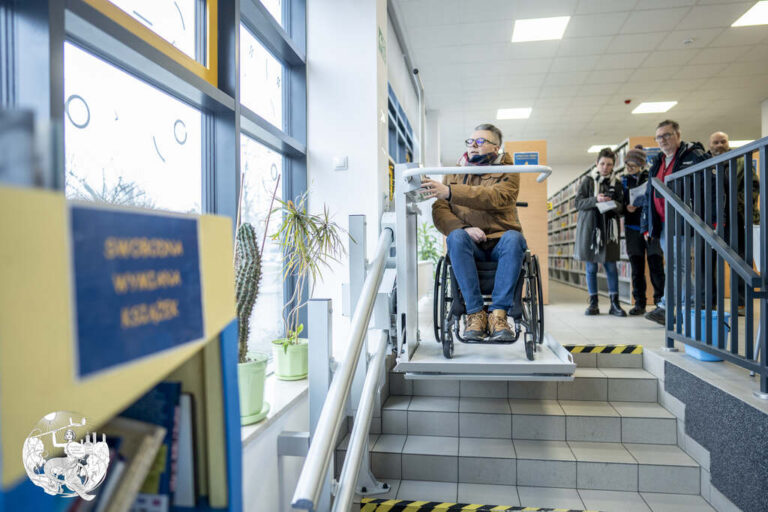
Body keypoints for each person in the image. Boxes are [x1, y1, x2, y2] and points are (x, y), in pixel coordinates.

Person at [423, 123, 525, 342]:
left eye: (481, 142)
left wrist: (451, 192)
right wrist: (464, 229)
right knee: (455, 237)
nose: (473, 146)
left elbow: (496, 197)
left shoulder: (509, 170)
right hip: (470, 245)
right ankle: (475, 314)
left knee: (515, 238)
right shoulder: (454, 173)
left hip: (501, 243)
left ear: (496, 148)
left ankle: (498, 316)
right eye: (470, 141)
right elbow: (440, 209)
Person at [642, 120, 708, 325]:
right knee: (677, 266)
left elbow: (709, 187)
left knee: (677, 266)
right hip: (663, 224)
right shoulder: (658, 162)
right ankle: (691, 306)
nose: (663, 140)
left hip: (681, 220)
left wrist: (714, 219)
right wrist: (647, 224)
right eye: (659, 137)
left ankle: (668, 307)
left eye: (667, 135)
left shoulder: (693, 157)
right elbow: (649, 195)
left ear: (678, 135)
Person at [709, 131, 761, 315]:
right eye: (715, 142)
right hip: (711, 220)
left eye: (723, 141)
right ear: (710, 145)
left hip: (736, 218)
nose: (719, 145)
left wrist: (739, 202)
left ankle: (740, 303)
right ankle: (711, 303)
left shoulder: (740, 160)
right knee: (709, 261)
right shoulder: (706, 163)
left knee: (738, 260)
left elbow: (754, 185)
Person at [574, 147, 627, 317]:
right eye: (602, 163)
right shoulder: (588, 181)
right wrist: (595, 199)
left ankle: (614, 303)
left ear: (613, 165)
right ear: (597, 163)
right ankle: (593, 303)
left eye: (609, 164)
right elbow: (578, 203)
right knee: (591, 267)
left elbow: (622, 207)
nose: (605, 167)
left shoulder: (617, 183)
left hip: (609, 229)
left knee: (611, 266)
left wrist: (612, 203)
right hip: (591, 229)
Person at [621, 145, 664, 315]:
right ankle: (639, 303)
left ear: (641, 164)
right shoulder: (624, 181)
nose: (629, 169)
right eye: (627, 165)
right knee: (637, 268)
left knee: (656, 265)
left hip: (651, 227)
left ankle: (660, 302)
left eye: (632, 165)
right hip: (632, 228)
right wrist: (626, 207)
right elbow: (619, 204)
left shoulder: (651, 177)